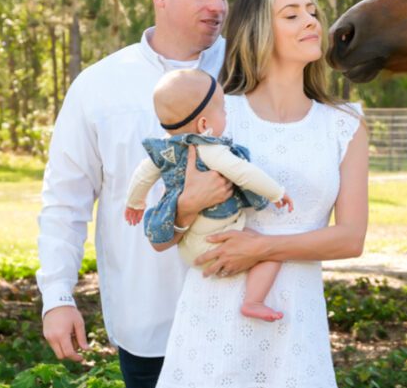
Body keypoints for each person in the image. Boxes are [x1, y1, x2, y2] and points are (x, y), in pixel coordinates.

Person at [36, 0, 260, 388]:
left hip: (244, 318)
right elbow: (65, 198)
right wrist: (57, 295)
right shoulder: (99, 85)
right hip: (150, 320)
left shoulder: (250, 77)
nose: (218, 5)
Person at [142, 0, 369, 388]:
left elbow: (350, 237)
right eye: (291, 14)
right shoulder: (218, 114)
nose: (312, 21)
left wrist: (261, 248)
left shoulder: (344, 124)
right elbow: (162, 227)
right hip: (215, 316)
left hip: (293, 323)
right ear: (257, 29)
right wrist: (186, 204)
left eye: (312, 11)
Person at [124, 68, 293, 321]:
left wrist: (134, 202)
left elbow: (142, 175)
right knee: (269, 252)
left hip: (187, 245)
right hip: (215, 242)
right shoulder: (208, 149)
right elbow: (243, 172)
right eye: (223, 110)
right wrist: (276, 192)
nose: (226, 115)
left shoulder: (165, 150)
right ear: (204, 124)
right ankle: (253, 301)